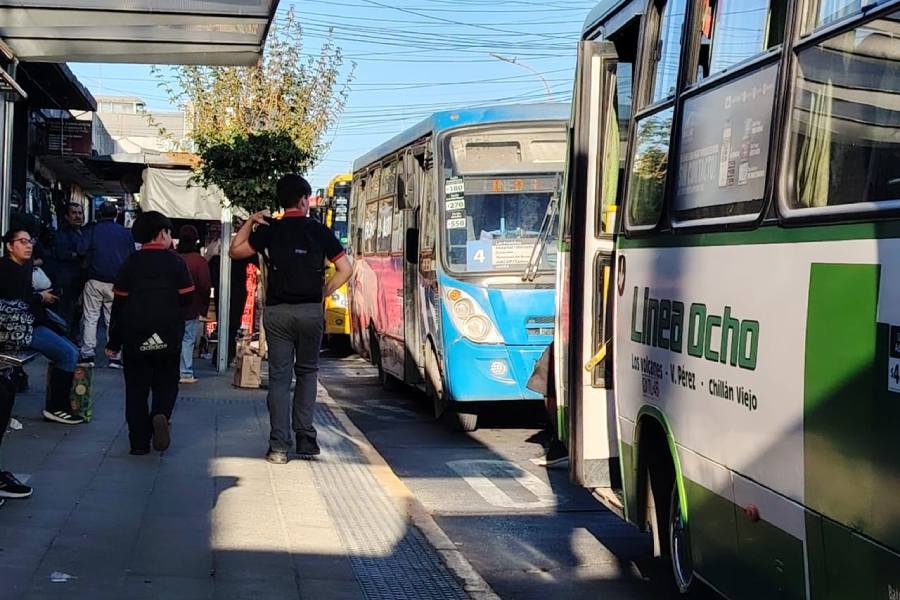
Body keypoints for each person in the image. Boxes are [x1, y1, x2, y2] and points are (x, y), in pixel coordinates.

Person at [229, 174, 352, 464]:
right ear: (304, 200)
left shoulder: (270, 231)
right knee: (307, 373)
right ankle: (305, 438)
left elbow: (235, 251)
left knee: (280, 378)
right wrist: (322, 292)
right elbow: (345, 269)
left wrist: (251, 221)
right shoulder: (319, 230)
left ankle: (278, 448)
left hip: (278, 313)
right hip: (310, 312)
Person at [106, 211, 194, 455]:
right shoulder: (176, 263)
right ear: (162, 233)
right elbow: (187, 297)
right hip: (168, 335)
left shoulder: (130, 263)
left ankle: (139, 443)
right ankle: (160, 413)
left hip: (135, 336)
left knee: (136, 390)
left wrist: (114, 341)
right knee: (167, 383)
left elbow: (119, 305)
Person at [0, 228, 83, 425]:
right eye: (22, 241)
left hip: (29, 323)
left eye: (30, 241)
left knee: (70, 349)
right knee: (68, 354)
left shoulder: (23, 267)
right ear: (10, 246)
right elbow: (18, 300)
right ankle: (57, 407)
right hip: (18, 329)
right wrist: (40, 297)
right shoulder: (7, 269)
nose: (28, 246)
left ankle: (58, 405)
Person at [78, 201, 134, 367]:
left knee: (90, 317)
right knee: (113, 319)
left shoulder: (92, 230)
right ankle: (114, 357)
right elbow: (132, 256)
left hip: (94, 279)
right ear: (116, 215)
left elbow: (81, 250)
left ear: (99, 214)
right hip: (117, 283)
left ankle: (88, 354)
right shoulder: (125, 233)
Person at [175, 225, 211, 384]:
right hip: (191, 307)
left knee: (173, 338)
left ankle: (172, 370)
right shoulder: (199, 261)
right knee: (188, 339)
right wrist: (204, 306)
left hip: (172, 307)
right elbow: (205, 286)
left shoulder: (173, 257)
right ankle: (185, 371)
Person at [48, 203, 84, 335]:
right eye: (74, 213)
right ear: (67, 216)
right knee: (65, 312)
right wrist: (80, 254)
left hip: (78, 279)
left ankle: (72, 337)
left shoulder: (82, 232)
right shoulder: (62, 233)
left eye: (79, 213)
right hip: (66, 279)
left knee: (77, 311)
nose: (77, 216)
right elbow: (62, 253)